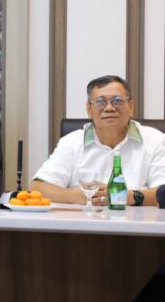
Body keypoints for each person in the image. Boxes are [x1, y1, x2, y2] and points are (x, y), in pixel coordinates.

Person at [31, 75, 165, 206]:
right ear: (89, 109)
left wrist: (125, 196)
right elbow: (38, 187)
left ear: (131, 106)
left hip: (138, 220)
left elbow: (163, 192)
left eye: (117, 100)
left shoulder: (156, 140)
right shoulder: (71, 143)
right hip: (83, 220)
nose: (109, 108)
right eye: (101, 101)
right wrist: (86, 196)